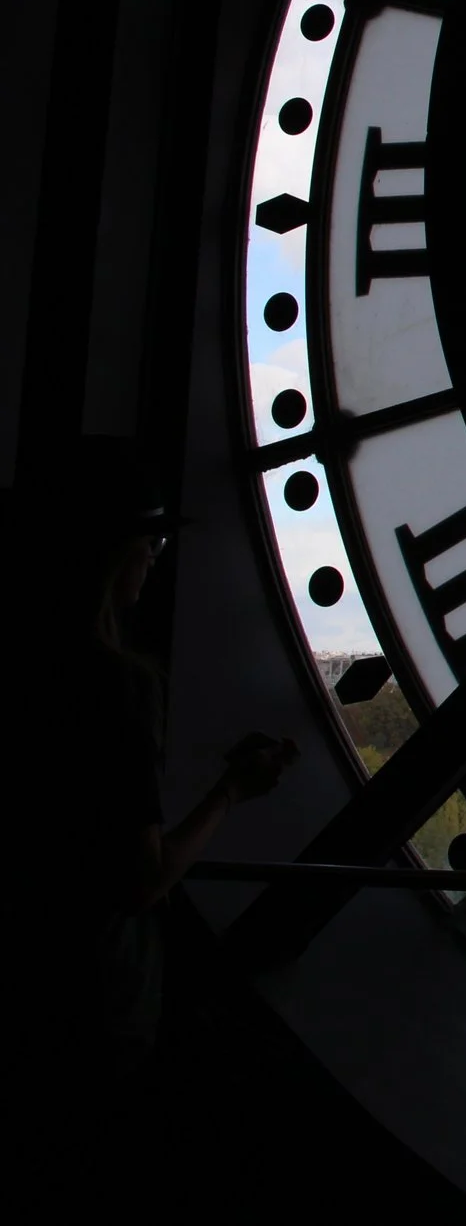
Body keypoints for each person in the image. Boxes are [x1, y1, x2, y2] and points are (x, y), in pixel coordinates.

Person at [15, 439, 299, 1070]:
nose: (154, 562)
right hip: (96, 1009)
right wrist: (231, 791)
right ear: (119, 555)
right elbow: (142, 879)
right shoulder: (115, 688)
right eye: (153, 547)